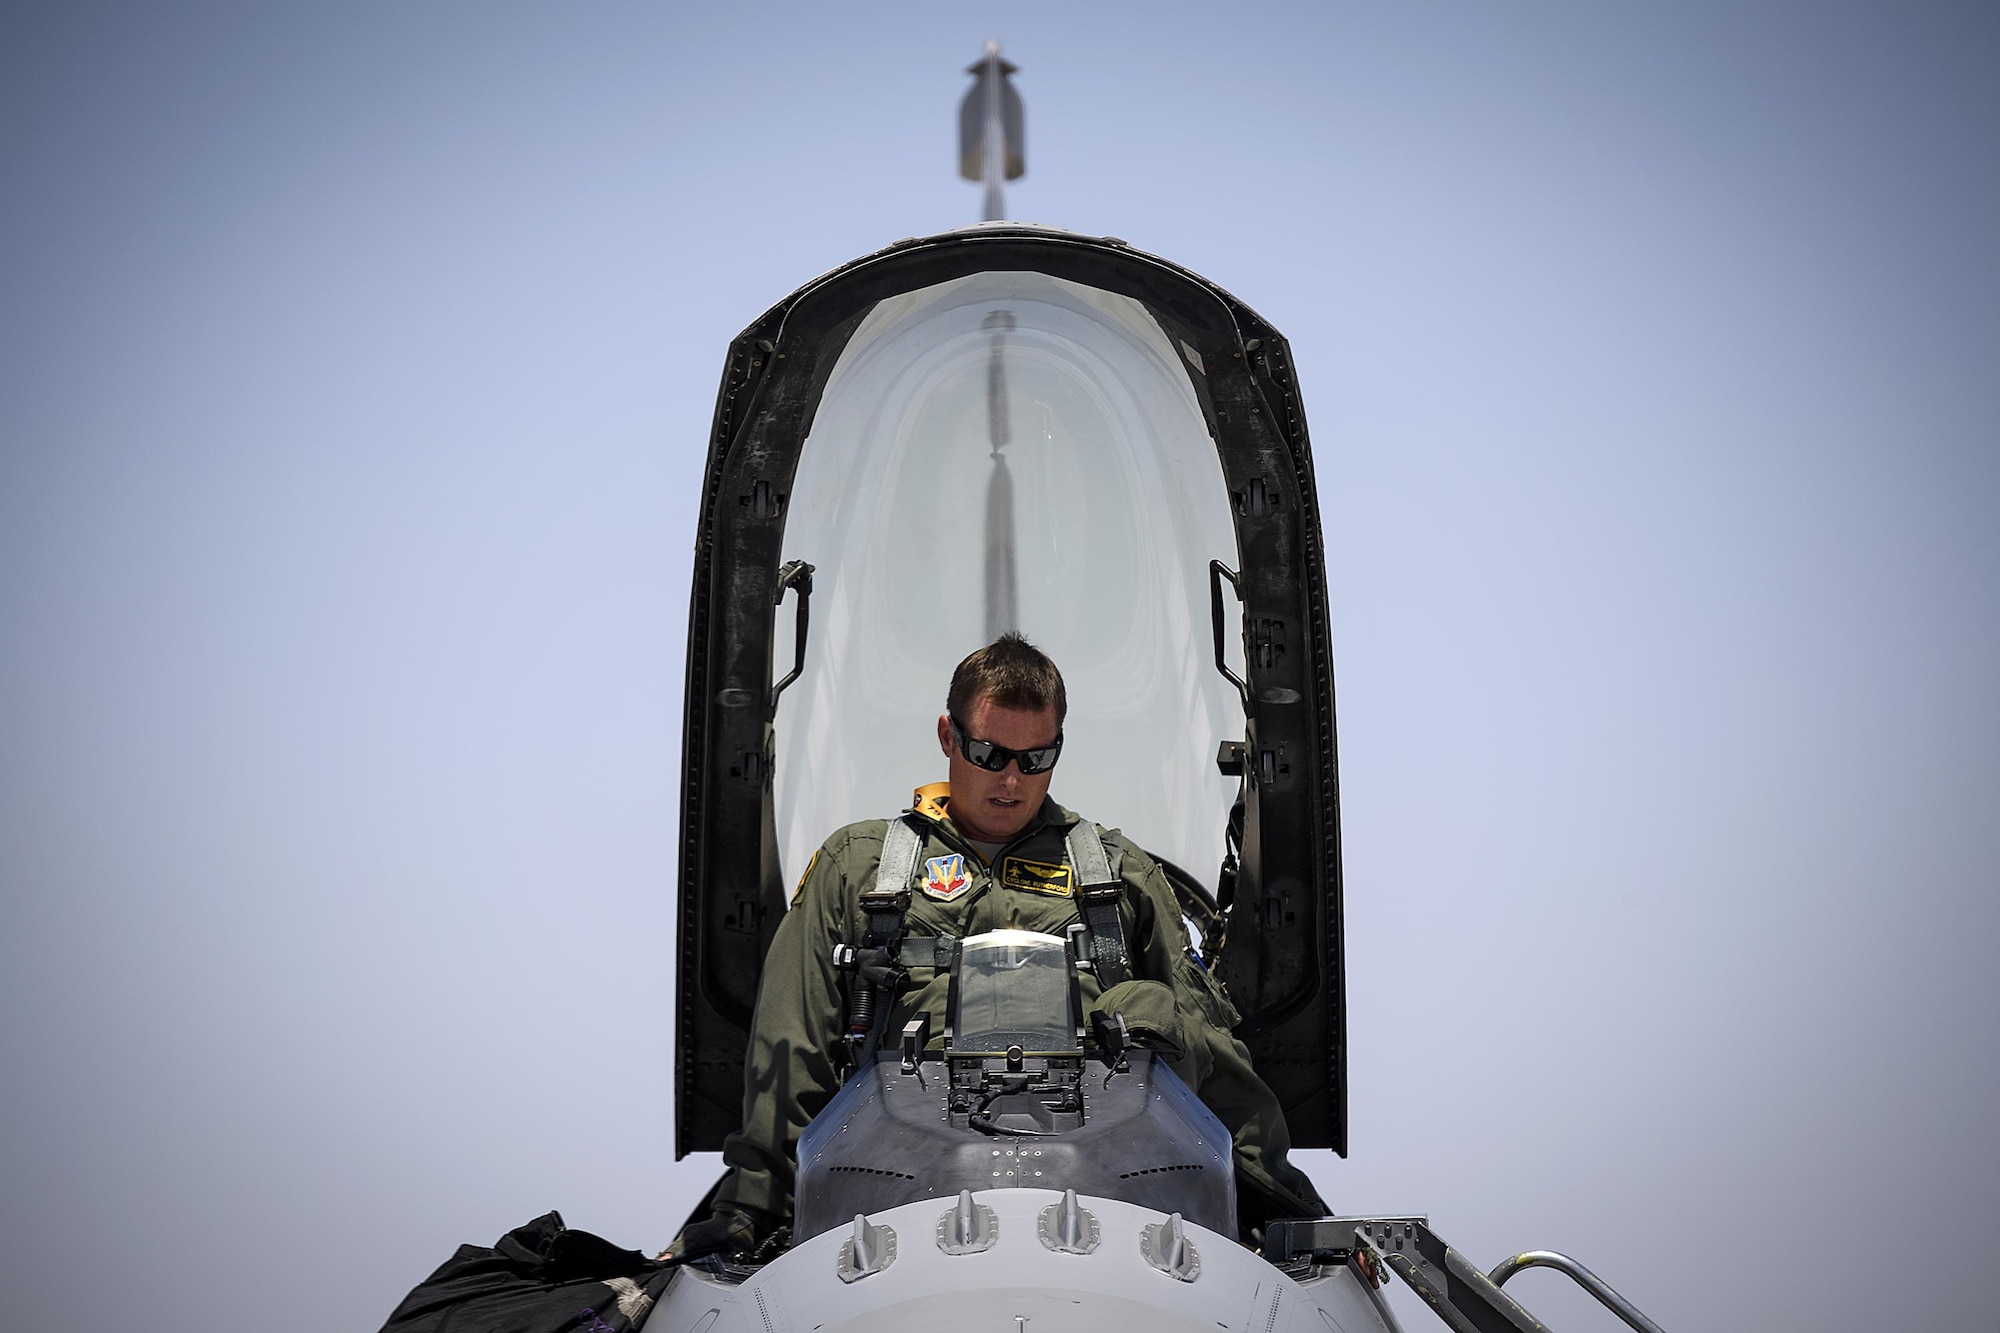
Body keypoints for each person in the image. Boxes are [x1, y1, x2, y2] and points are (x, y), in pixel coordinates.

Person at [666, 633, 1325, 1261]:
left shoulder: (1118, 875)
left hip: (1112, 1201)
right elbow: (793, 1046)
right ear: (949, 736)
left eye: (1035, 759)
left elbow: (1212, 1051)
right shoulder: (859, 866)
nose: (1012, 781)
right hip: (892, 1196)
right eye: (990, 754)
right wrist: (755, 1206)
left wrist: (1276, 1199)